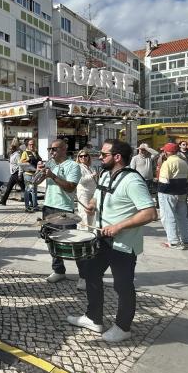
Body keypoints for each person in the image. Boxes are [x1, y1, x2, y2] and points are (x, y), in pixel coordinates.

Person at [66, 139, 157, 343]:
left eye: (104, 154)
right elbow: (97, 198)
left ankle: (123, 327)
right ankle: (93, 318)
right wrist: (91, 205)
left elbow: (150, 213)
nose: (99, 157)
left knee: (122, 286)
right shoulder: (106, 175)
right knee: (90, 274)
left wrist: (118, 226)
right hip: (102, 239)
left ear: (117, 157)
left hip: (123, 244)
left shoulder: (132, 181)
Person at [38, 139, 82, 286]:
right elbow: (34, 182)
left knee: (72, 243)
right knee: (51, 241)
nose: (51, 152)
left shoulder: (73, 166)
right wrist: (39, 172)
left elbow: (70, 187)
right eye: (50, 149)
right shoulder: (50, 164)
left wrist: (53, 176)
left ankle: (84, 275)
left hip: (64, 208)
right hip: (48, 206)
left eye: (55, 149)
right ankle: (58, 270)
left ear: (64, 149)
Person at [156, 143, 188, 250]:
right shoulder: (183, 162)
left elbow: (164, 181)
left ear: (167, 152)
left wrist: (158, 190)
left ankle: (173, 242)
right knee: (183, 217)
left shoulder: (167, 163)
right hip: (182, 192)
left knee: (168, 217)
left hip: (168, 193)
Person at [75, 149, 97, 234]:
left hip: (92, 192)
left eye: (85, 155)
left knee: (92, 213)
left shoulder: (90, 167)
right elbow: (81, 180)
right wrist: (92, 175)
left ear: (88, 157)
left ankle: (91, 230)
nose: (83, 157)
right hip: (83, 193)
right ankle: (83, 231)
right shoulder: (78, 167)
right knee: (84, 213)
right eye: (81, 156)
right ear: (79, 158)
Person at [0, 139, 24, 205]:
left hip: (17, 173)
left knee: (24, 188)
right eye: (10, 149)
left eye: (11, 149)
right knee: (9, 187)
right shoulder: (12, 155)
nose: (10, 150)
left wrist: (20, 174)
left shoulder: (17, 155)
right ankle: (3, 201)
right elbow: (12, 162)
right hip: (13, 173)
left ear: (14, 149)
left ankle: (32, 201)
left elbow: (20, 165)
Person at [19, 139, 41, 212]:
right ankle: (27, 206)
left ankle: (35, 206)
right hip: (28, 174)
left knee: (34, 191)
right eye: (30, 144)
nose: (32, 146)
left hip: (35, 174)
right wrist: (27, 159)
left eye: (33, 144)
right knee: (28, 190)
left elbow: (39, 160)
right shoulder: (25, 153)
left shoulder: (36, 152)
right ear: (28, 145)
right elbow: (21, 162)